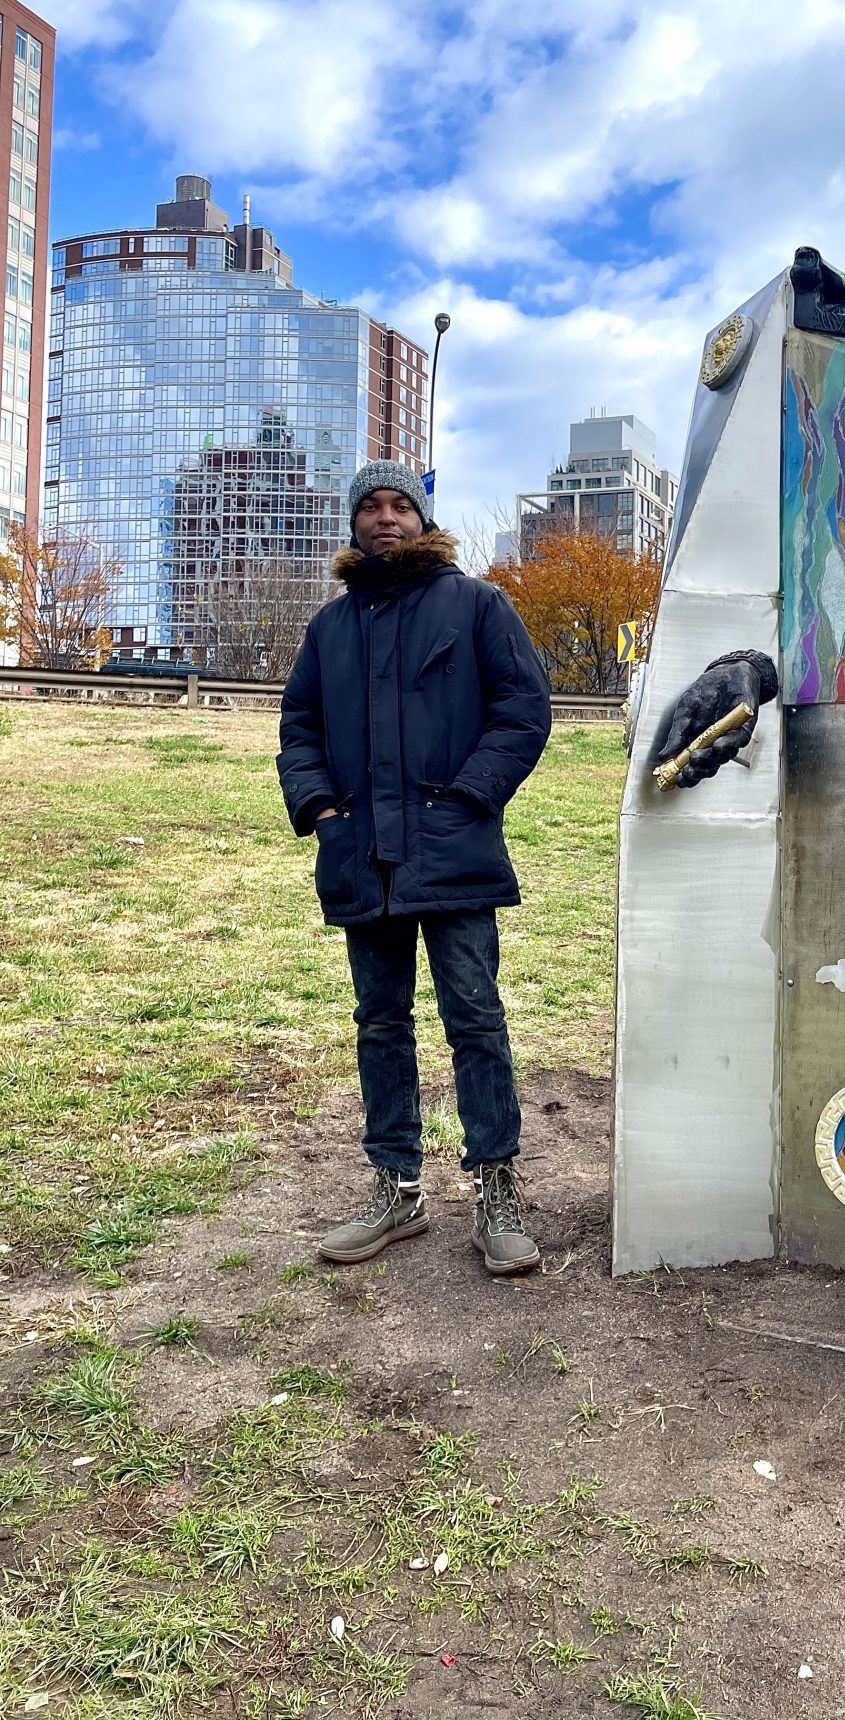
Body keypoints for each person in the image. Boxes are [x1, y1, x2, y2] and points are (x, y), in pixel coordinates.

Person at [277, 461, 551, 1273]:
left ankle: (496, 1186)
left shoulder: (476, 605)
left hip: (453, 848)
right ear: (354, 523)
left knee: (474, 1014)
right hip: (364, 857)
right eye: (372, 506)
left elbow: (523, 708)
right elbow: (300, 727)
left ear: (422, 519)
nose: (385, 518)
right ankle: (396, 1187)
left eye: (401, 505)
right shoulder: (330, 628)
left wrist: (470, 797)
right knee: (380, 1021)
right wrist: (324, 813)